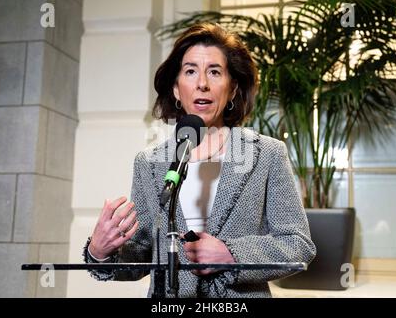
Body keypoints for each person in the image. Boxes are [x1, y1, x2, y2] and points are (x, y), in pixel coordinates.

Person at [83, 23, 316, 298]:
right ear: (177, 89)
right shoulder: (150, 162)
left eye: (215, 72)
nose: (202, 83)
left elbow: (297, 244)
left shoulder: (267, 154)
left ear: (231, 89)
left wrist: (232, 255)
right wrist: (100, 252)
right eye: (190, 71)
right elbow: (141, 255)